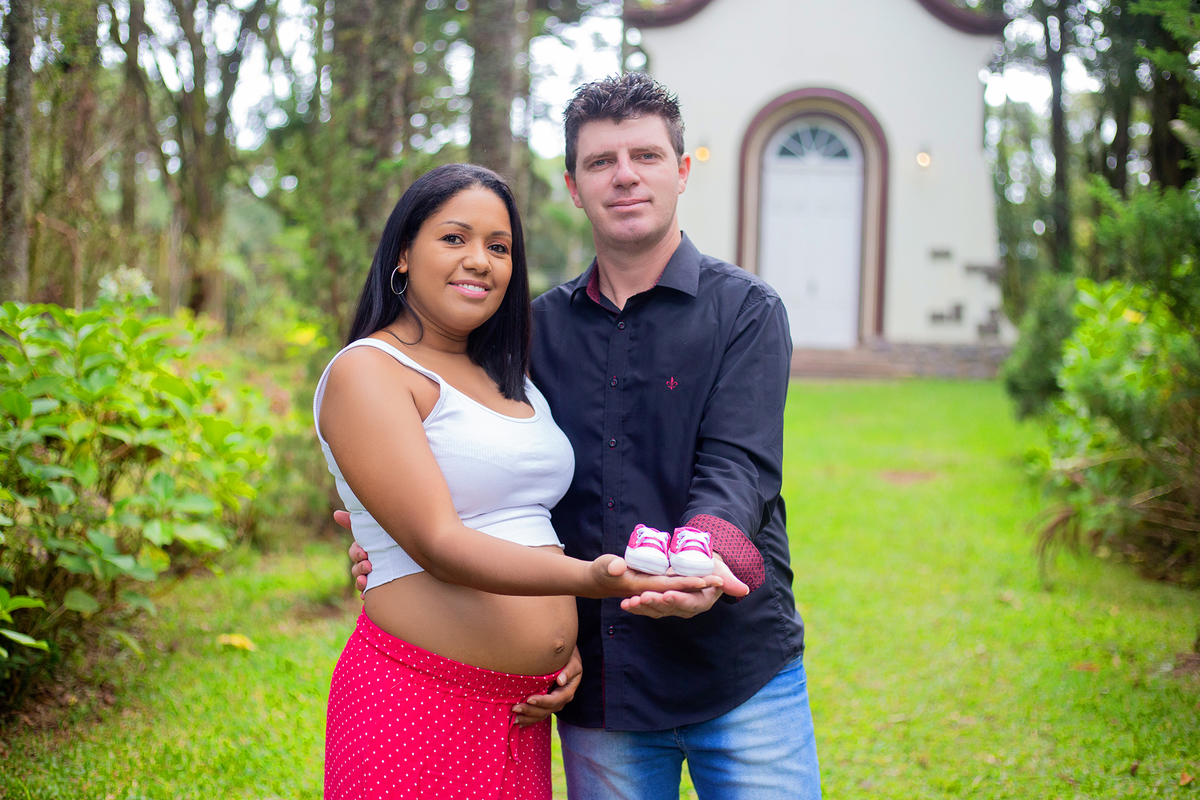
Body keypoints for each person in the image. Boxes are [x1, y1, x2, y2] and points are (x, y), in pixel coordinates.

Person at [351, 73, 821, 799]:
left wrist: (703, 560)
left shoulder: (746, 311)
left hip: (736, 664)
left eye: (646, 156)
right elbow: (464, 456)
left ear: (682, 171)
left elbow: (740, 469)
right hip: (603, 684)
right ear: (574, 186)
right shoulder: (528, 333)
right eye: (602, 162)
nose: (625, 176)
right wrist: (381, 545)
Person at [315, 163, 718, 800]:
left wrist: (559, 641)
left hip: (519, 713)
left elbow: (521, 518)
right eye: (454, 238)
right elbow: (439, 544)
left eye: (498, 247)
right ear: (401, 254)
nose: (479, 260)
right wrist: (592, 579)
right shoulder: (369, 372)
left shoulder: (510, 377)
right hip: (417, 699)